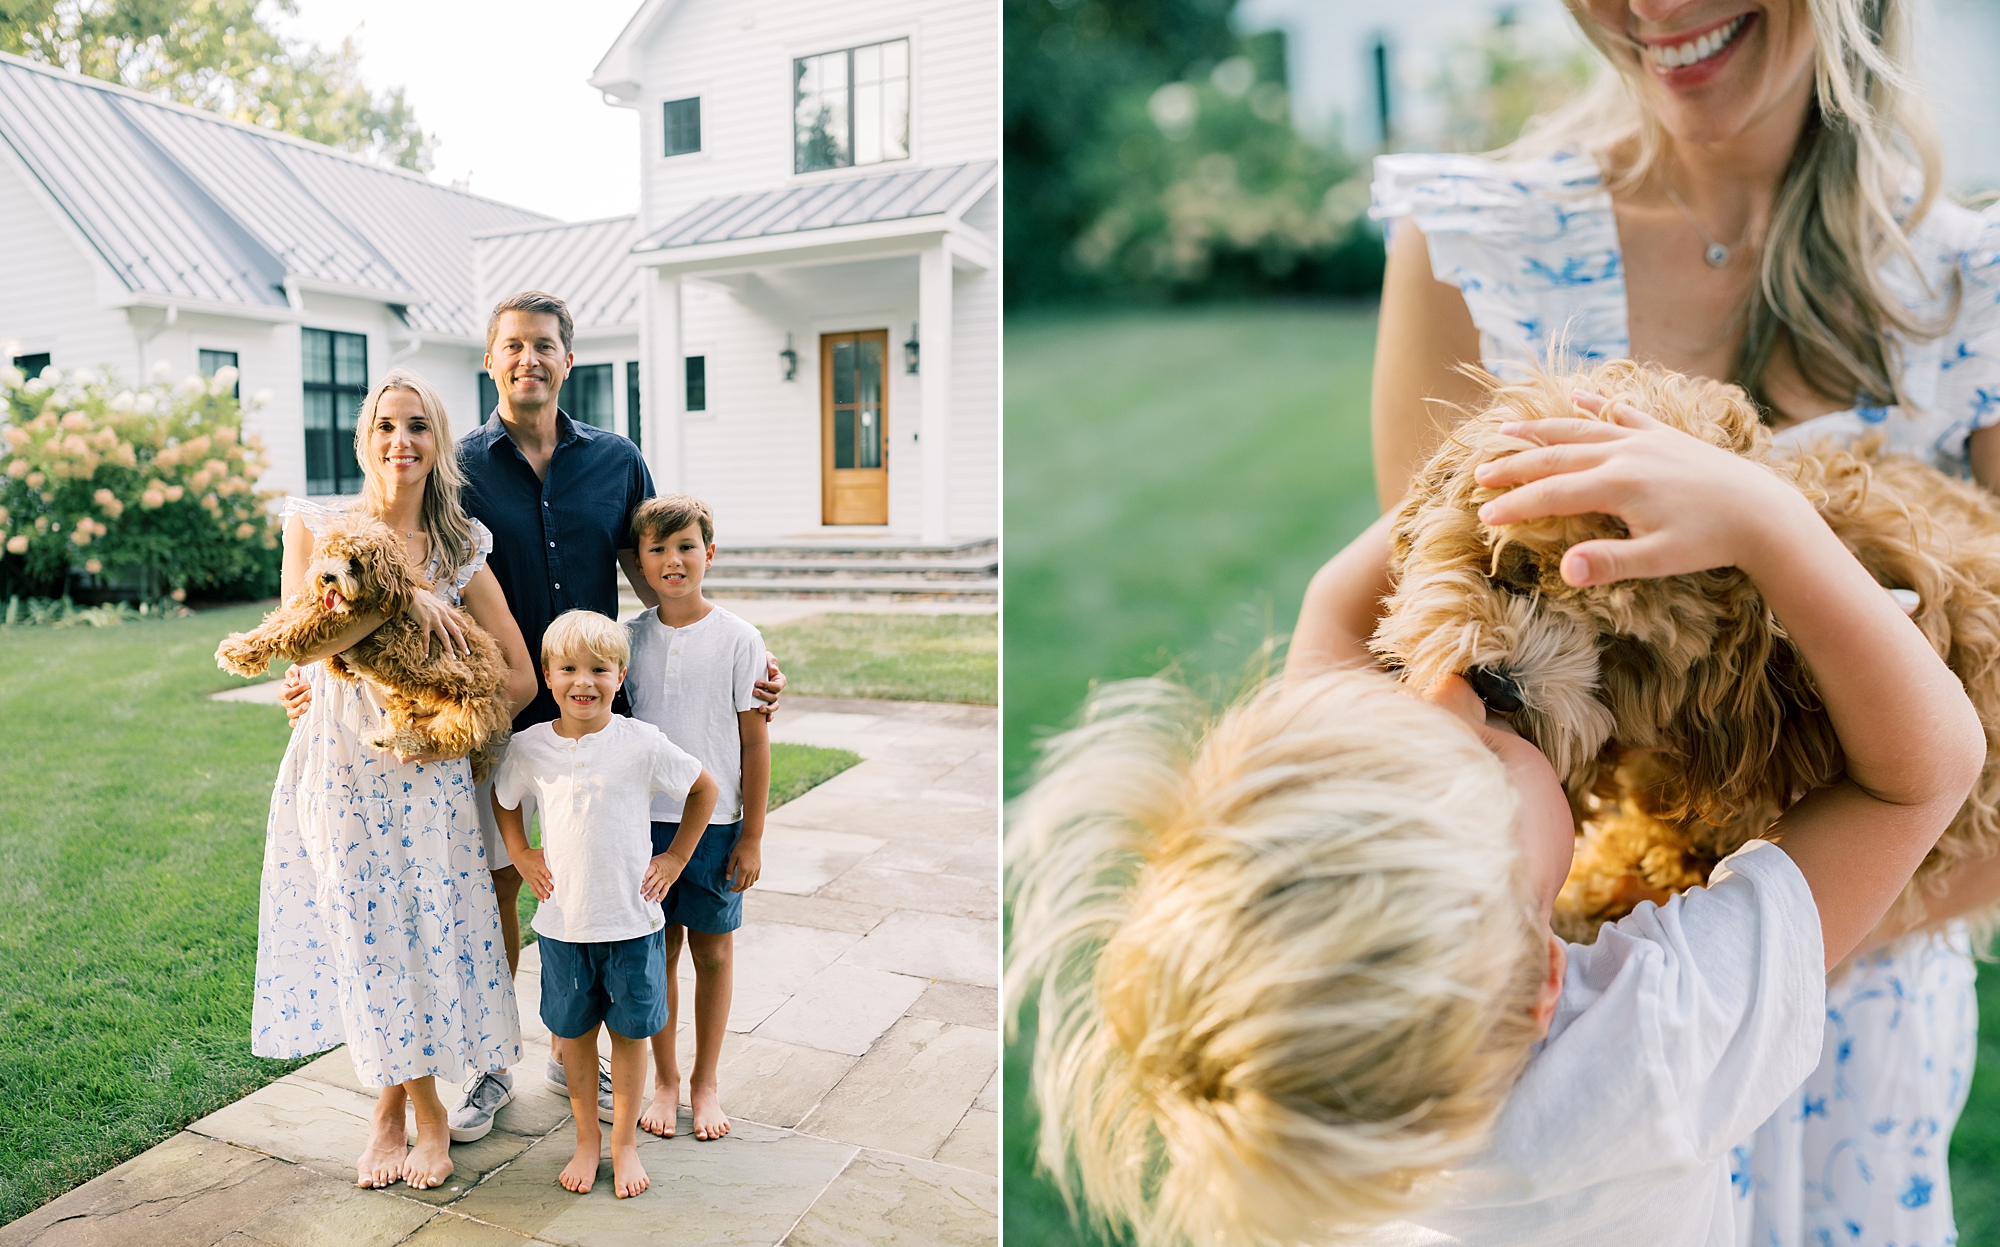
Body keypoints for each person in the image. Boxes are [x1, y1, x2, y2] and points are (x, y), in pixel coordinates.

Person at [1294, 0, 2000, 1237]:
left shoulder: (1967, 291)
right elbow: (1430, 668)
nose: (1657, 8)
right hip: (1585, 988)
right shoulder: (1472, 244)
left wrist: (1731, 955)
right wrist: (1727, 957)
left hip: (1848, 1062)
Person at [1009, 396, 1986, 1247]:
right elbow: (1921, 775)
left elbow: (1330, 622)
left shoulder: (1325, 1118)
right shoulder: (1646, 1049)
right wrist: (1769, 524)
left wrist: (1480, 481)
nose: (1452, 693)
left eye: (1394, 718)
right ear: (1543, 984)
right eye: (1484, 753)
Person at [281, 290, 785, 1137]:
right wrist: (315, 674)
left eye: (544, 344)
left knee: (605, 878)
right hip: (497, 714)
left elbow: (662, 578)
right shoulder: (456, 465)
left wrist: (738, 656)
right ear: (490, 360)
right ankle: (492, 1059)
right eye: (513, 345)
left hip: (598, 710)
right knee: (502, 884)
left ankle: (576, 1043)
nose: (529, 358)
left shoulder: (617, 461)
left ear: (567, 359)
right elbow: (391, 565)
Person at [251, 369, 538, 1191]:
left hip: (425, 773)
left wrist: (450, 726)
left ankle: (400, 1108)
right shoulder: (316, 527)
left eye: (416, 425)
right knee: (362, 931)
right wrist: (406, 603)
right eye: (384, 424)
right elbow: (302, 642)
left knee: (423, 934)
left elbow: (519, 676)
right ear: (363, 438)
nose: (399, 440)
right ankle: (414, 1109)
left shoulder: (459, 547)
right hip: (339, 762)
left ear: (438, 442)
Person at [491, 609, 720, 1199]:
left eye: (599, 669)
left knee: (629, 1036)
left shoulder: (640, 742)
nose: (583, 682)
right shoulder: (529, 748)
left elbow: (704, 789)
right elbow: (504, 799)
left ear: (620, 675)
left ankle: (623, 1143)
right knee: (573, 1038)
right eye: (568, 669)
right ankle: (587, 1138)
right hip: (564, 926)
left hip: (632, 922)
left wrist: (675, 859)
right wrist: (520, 852)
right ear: (547, 675)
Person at [621, 494, 770, 1142]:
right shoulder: (627, 639)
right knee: (656, 954)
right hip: (641, 823)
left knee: (711, 952)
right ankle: (666, 1079)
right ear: (640, 563)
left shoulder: (740, 639)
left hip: (716, 826)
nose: (673, 560)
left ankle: (706, 1082)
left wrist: (752, 835)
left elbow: (755, 742)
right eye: (657, 549)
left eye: (685, 546)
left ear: (709, 553)